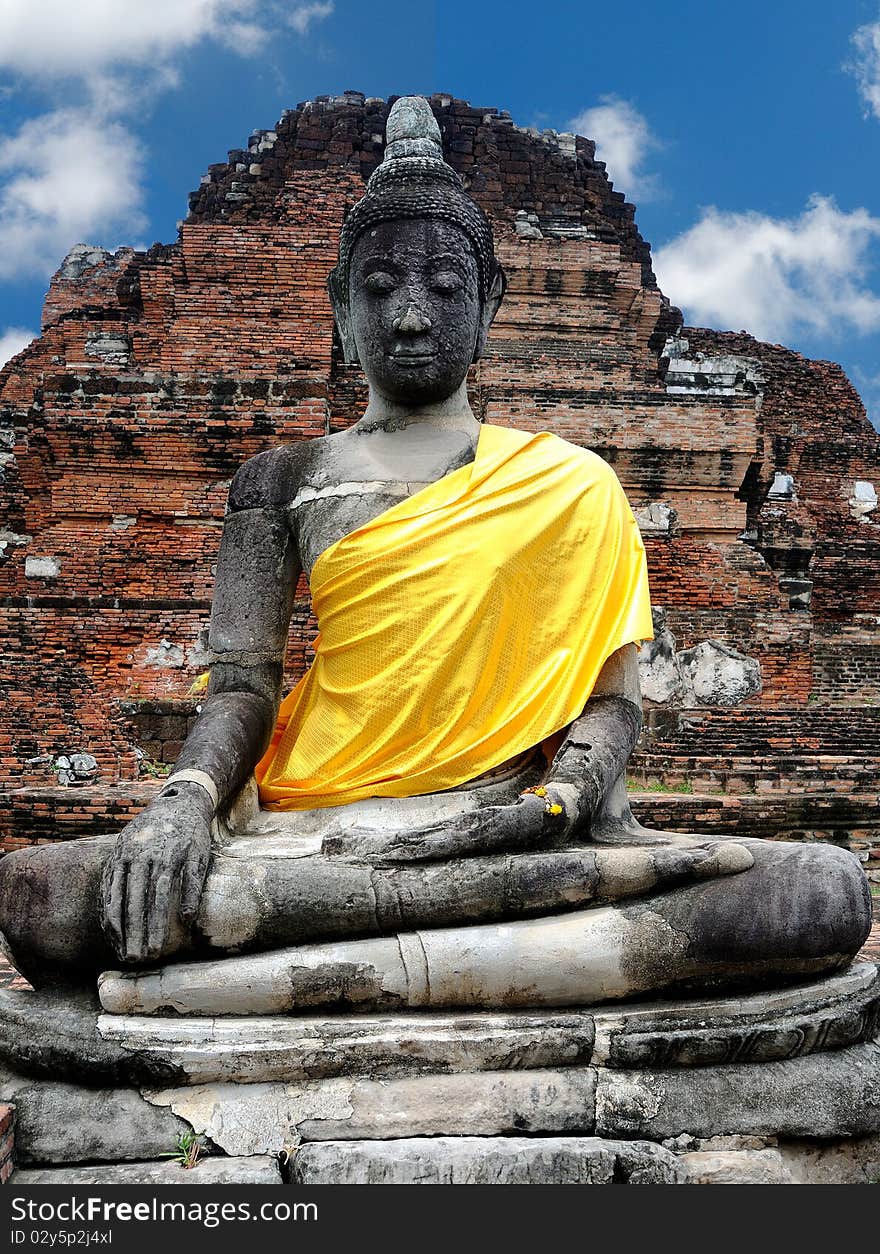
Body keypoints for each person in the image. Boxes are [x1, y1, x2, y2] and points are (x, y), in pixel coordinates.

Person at [0, 99, 870, 1007]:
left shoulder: (573, 482)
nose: (411, 315)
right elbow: (243, 687)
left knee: (815, 892)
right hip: (323, 835)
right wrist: (180, 804)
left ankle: (279, 984)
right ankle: (498, 973)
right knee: (41, 896)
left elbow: (611, 706)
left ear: (489, 299)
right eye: (379, 288)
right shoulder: (283, 479)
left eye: (446, 286)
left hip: (516, 834)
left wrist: (564, 798)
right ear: (340, 306)